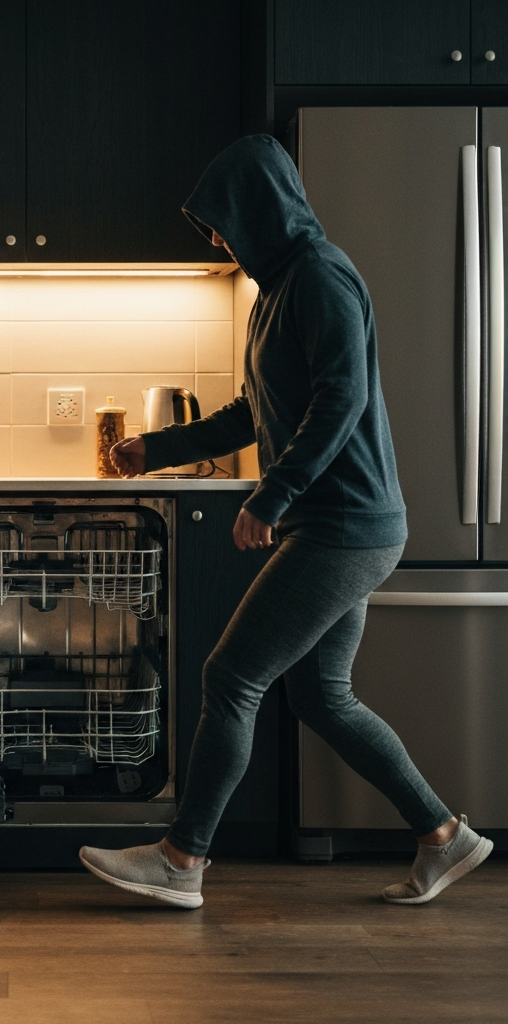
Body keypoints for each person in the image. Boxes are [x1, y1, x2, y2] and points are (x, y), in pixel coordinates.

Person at [78, 135, 493, 909]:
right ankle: (444, 836)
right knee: (321, 696)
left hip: (344, 524)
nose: (222, 242)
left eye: (225, 225)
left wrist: (270, 498)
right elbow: (252, 412)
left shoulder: (323, 279)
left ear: (261, 209)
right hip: (341, 523)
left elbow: (342, 401)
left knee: (231, 677)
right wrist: (154, 450)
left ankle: (182, 860)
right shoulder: (274, 295)